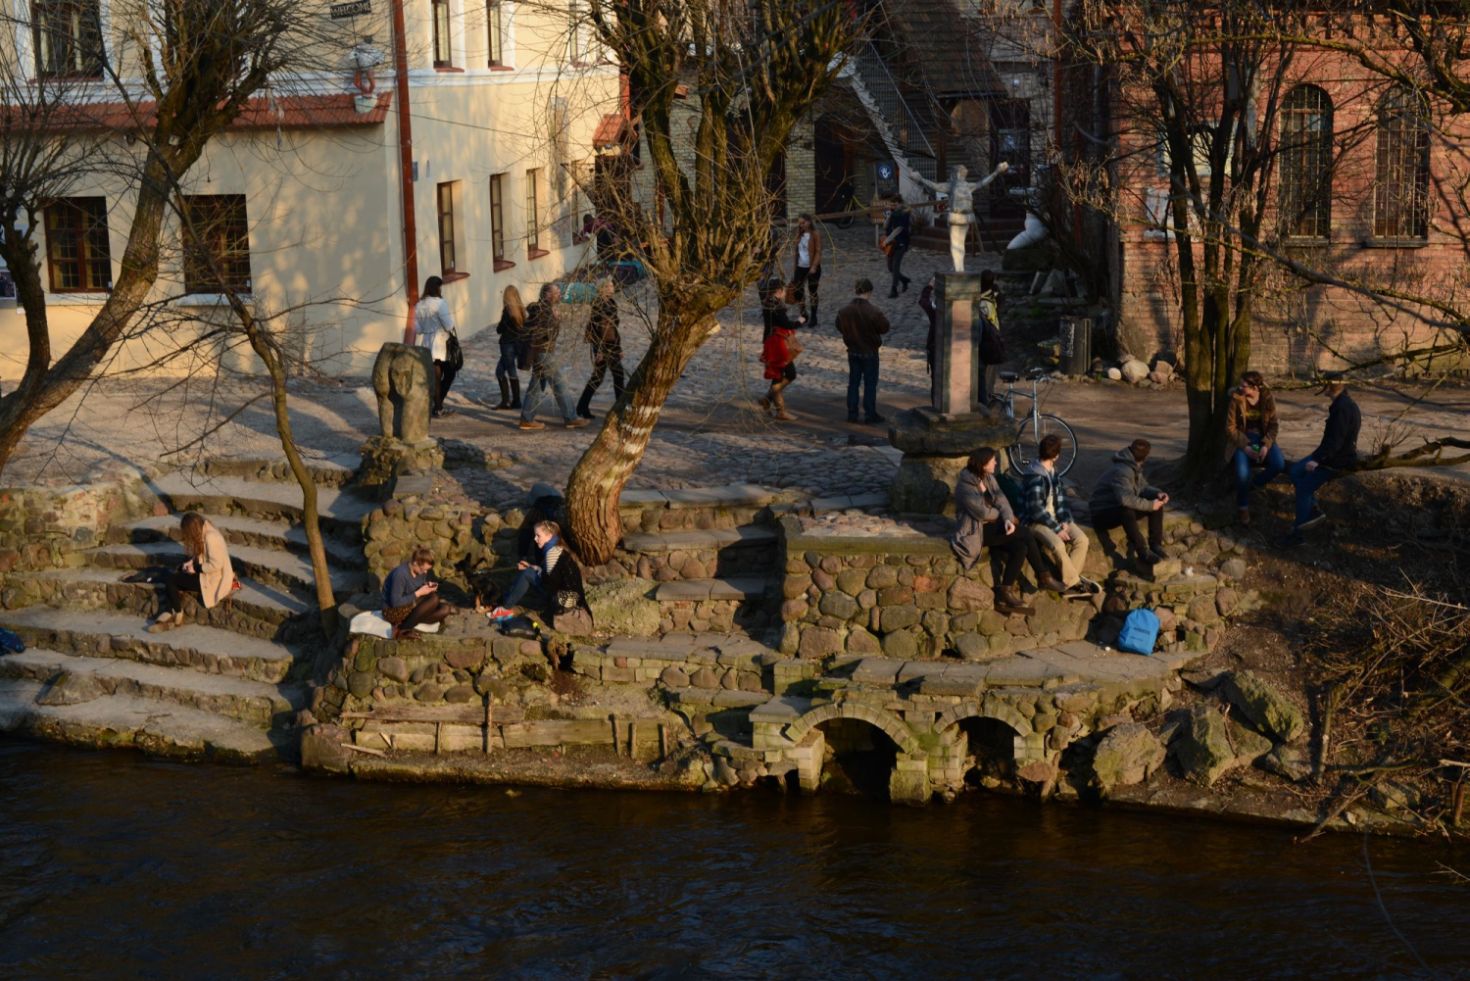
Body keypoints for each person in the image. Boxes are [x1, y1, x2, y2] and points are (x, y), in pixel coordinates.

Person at [950, 448, 1059, 615]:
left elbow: (1002, 501)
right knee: (1025, 533)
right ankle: (1043, 575)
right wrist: (1002, 516)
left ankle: (1005, 591)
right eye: (992, 460)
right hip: (974, 531)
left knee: (1020, 547)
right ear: (983, 464)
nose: (995, 462)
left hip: (993, 525)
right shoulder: (966, 486)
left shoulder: (988, 477)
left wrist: (1008, 519)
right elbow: (982, 513)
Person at [1284, 373, 1360, 546]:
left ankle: (1297, 535)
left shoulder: (1342, 408)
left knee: (1303, 489)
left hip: (1336, 460)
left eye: (1323, 384)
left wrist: (1318, 460)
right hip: (1329, 453)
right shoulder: (1342, 403)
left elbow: (1336, 442)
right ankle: (1313, 508)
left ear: (1329, 386)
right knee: (1295, 471)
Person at [491, 521, 593, 635]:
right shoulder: (558, 547)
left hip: (564, 601)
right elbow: (553, 576)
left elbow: (549, 584)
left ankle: (505, 608)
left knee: (527, 574)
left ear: (549, 536)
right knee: (529, 572)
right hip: (571, 597)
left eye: (538, 535)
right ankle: (509, 600)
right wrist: (533, 567)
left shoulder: (552, 553)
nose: (535, 539)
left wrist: (531, 571)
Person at [1022, 434, 1094, 594]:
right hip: (1036, 522)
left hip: (1056, 519)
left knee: (1082, 540)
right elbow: (1036, 511)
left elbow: (1061, 500)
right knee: (1058, 545)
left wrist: (1065, 520)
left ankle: (1069, 582)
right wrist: (1057, 529)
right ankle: (1074, 583)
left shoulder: (1053, 472)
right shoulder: (1034, 476)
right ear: (1056, 456)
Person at [148, 512, 235, 632]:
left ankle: (177, 613)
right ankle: (171, 610)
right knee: (176, 573)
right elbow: (203, 555)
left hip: (213, 579)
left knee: (171, 579)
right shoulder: (206, 532)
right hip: (207, 574)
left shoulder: (211, 537)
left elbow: (216, 564)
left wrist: (196, 568)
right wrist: (191, 563)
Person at [1090, 438, 1170, 568]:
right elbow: (1125, 499)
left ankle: (1155, 545)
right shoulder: (1122, 471)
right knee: (1126, 510)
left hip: (1115, 506)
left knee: (1157, 504)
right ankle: (1142, 551)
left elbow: (1142, 487)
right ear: (1146, 457)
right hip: (1101, 513)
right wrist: (1150, 505)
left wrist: (1157, 494)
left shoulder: (1132, 465)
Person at [519, 284, 589, 431]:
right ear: (547, 295)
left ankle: (527, 419)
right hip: (542, 352)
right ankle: (571, 417)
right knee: (559, 383)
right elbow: (540, 333)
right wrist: (554, 319)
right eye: (556, 292)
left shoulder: (546, 310)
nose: (559, 294)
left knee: (536, 385)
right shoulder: (541, 311)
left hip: (544, 351)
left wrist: (555, 318)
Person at [1223, 370, 1284, 525]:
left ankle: (1253, 485)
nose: (1240, 388)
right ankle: (1243, 507)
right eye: (1240, 385)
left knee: (1278, 464)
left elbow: (1273, 425)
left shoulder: (1267, 398)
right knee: (1242, 473)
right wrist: (1246, 447)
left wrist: (1265, 445)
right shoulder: (1236, 399)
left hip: (1263, 438)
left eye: (1244, 386)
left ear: (1255, 387)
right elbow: (1230, 428)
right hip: (1243, 439)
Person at [835, 277, 890, 425]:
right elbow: (884, 327)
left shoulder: (844, 311)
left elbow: (839, 325)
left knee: (853, 383)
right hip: (869, 352)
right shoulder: (873, 311)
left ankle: (852, 413)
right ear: (869, 292)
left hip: (853, 351)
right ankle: (870, 414)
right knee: (870, 384)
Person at [576, 277, 626, 420]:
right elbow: (598, 329)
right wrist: (599, 350)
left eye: (612, 285)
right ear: (602, 289)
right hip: (603, 346)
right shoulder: (598, 305)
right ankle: (620, 409)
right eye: (608, 286)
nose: (612, 288)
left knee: (604, 377)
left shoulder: (611, 303)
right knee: (610, 376)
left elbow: (613, 328)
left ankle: (582, 406)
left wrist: (619, 348)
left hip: (612, 344)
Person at [381, 547, 455, 641]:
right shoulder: (400, 574)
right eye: (423, 569)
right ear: (415, 563)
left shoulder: (421, 571)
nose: (425, 572)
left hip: (410, 604)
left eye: (427, 570)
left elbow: (414, 586)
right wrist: (418, 593)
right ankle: (402, 630)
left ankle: (410, 621)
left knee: (445, 609)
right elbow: (395, 602)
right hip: (392, 610)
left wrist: (426, 586)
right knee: (434, 599)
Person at [413, 275, 459, 417]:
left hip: (427, 343)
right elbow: (449, 325)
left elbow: (418, 329)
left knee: (435, 377)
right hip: (440, 343)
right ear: (437, 288)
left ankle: (437, 405)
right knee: (449, 373)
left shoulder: (419, 305)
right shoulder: (440, 303)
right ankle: (438, 406)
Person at [759, 288, 803, 422]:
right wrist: (800, 321)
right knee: (789, 373)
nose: (785, 293)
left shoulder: (768, 302)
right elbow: (786, 324)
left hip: (771, 341)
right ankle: (774, 404)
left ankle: (772, 403)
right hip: (778, 343)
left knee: (778, 375)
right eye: (783, 290)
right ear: (779, 291)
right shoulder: (776, 305)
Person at [492, 284, 526, 410]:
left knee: (501, 372)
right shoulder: (521, 310)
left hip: (507, 346)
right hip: (517, 345)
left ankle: (507, 402)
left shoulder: (507, 311)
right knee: (508, 371)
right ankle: (515, 401)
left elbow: (499, 329)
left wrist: (500, 326)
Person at [976, 269, 1005, 408]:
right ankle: (988, 396)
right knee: (990, 372)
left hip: (987, 340)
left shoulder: (982, 302)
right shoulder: (994, 295)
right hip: (995, 337)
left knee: (984, 373)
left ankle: (985, 401)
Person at [789, 213, 823, 327]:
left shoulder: (815, 234)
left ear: (809, 222)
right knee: (798, 292)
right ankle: (804, 314)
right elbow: (796, 252)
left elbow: (818, 251)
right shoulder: (799, 234)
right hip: (800, 267)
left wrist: (814, 266)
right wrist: (794, 268)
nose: (801, 225)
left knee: (812, 292)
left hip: (812, 267)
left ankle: (814, 316)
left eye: (803, 223)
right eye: (799, 223)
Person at [881, 200, 912, 298]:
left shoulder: (904, 214)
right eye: (892, 204)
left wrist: (887, 240)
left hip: (900, 243)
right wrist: (888, 216)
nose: (893, 206)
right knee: (890, 267)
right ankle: (904, 280)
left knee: (895, 266)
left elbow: (899, 229)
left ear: (900, 204)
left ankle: (894, 290)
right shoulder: (893, 214)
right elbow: (885, 226)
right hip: (891, 245)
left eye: (895, 204)